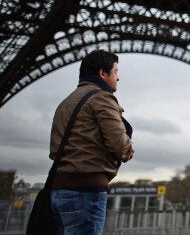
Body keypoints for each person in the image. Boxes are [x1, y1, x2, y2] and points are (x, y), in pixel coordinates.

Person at [49, 50, 134, 234]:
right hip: (85, 190)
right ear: (102, 73)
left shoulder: (67, 102)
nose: (118, 78)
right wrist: (128, 149)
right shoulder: (101, 97)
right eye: (116, 71)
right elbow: (118, 143)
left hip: (59, 189)